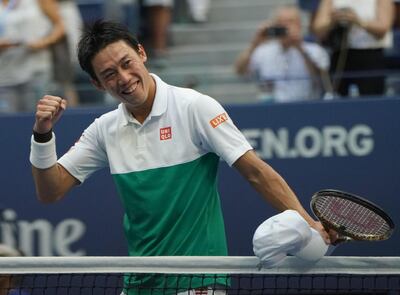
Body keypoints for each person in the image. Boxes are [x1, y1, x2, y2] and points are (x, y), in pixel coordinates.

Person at [29, 20, 334, 294]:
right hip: (139, 282)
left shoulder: (194, 107)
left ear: (142, 53)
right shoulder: (104, 130)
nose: (123, 78)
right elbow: (50, 191)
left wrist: (309, 225)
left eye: (127, 63)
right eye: (109, 74)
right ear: (97, 84)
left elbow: (256, 172)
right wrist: (43, 135)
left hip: (197, 281)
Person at [235, 5, 331, 103]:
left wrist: (300, 48)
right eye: (281, 22)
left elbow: (322, 82)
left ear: (300, 24)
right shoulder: (263, 51)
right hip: (271, 109)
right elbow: (240, 71)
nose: (285, 26)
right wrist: (255, 43)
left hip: (306, 107)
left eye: (290, 22)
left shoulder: (315, 50)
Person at [311, 0, 395, 97]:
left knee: (370, 100)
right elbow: (318, 29)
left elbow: (383, 29)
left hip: (370, 56)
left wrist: (358, 21)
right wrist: (333, 21)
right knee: (339, 99)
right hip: (341, 55)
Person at [0, 0, 65, 113]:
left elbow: (60, 26)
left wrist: (44, 42)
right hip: (5, 77)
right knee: (7, 123)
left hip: (36, 72)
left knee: (40, 117)